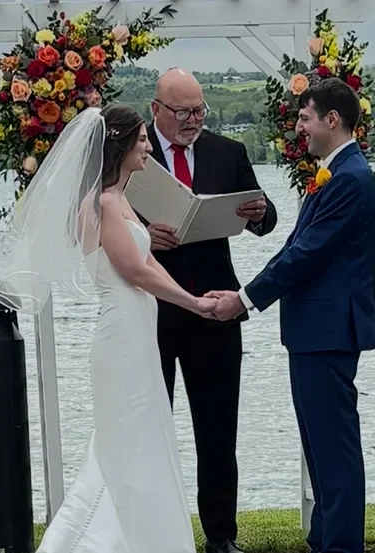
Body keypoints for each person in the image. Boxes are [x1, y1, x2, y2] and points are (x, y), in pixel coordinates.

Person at [0, 105, 218, 553]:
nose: (149, 148)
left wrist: (194, 300)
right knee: (124, 443)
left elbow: (149, 263)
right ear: (123, 145)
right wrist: (191, 304)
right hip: (121, 338)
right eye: (143, 140)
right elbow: (134, 272)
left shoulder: (119, 198)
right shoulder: (105, 203)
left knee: (144, 438)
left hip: (137, 333)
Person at [209, 77, 375, 553]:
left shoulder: (349, 177)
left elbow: (307, 253)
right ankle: (324, 538)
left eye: (305, 118)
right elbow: (296, 246)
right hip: (313, 329)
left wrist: (244, 299)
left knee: (334, 445)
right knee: (319, 443)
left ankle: (342, 544)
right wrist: (249, 293)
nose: (300, 127)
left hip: (329, 330)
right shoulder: (334, 172)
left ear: (332, 120)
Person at [142, 68, 277, 553]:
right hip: (151, 311)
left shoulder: (227, 152)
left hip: (216, 309)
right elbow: (100, 219)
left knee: (219, 432)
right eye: (182, 112)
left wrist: (261, 213)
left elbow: (265, 216)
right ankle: (156, 535)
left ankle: (222, 538)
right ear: (156, 110)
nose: (193, 120)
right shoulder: (134, 155)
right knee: (150, 427)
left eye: (199, 110)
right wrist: (144, 234)